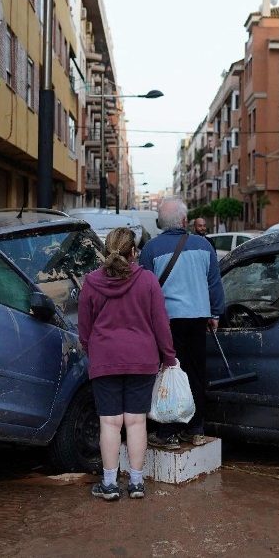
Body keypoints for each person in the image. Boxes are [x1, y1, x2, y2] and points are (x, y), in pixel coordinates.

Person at [79, 227, 177, 501]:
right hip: (142, 359)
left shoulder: (91, 282)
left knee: (109, 423)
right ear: (134, 252)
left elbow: (84, 327)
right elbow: (161, 324)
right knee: (136, 423)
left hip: (105, 358)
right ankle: (136, 483)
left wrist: (91, 348)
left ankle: (109, 485)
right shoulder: (147, 281)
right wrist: (168, 357)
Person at [140, 198, 225, 449]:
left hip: (166, 322)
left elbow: (144, 289)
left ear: (160, 224)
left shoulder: (151, 249)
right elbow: (214, 284)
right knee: (196, 373)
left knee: (169, 372)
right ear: (185, 221)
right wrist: (216, 314)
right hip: (198, 319)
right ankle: (196, 429)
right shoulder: (203, 246)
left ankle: (168, 432)